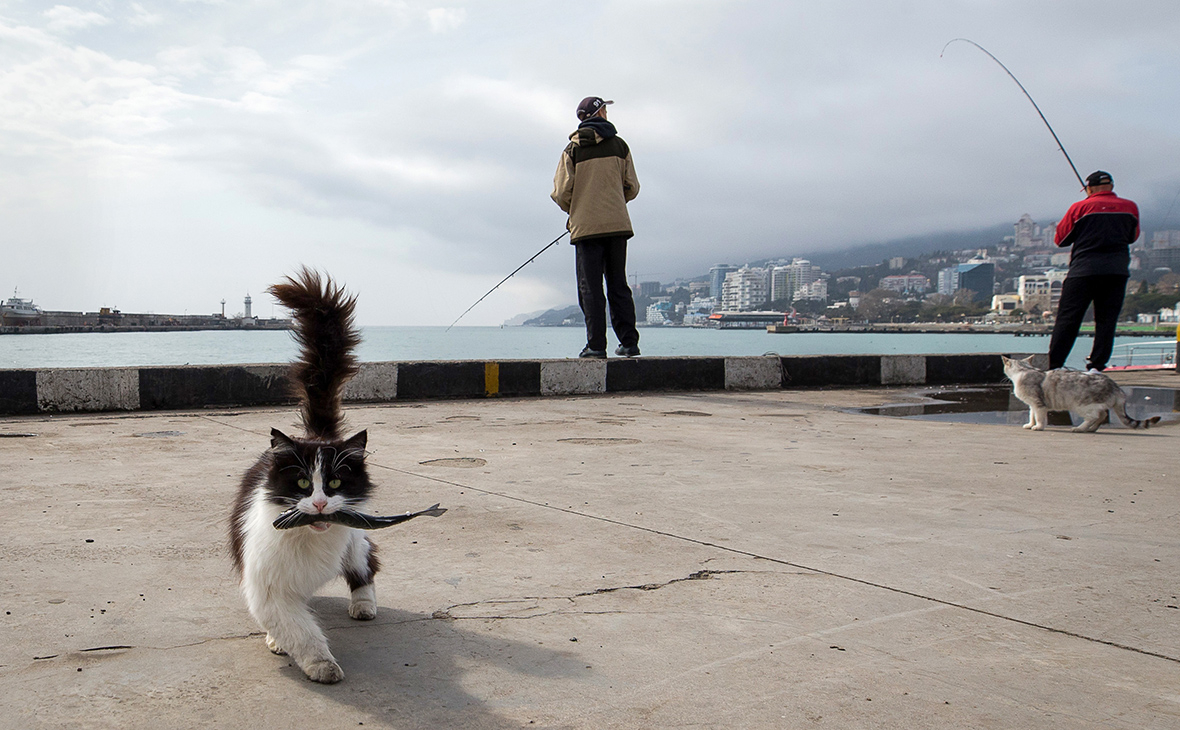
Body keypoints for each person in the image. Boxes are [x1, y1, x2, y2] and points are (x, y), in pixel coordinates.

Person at [551, 96, 642, 358]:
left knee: (590, 288)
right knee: (618, 285)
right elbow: (632, 186)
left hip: (585, 229)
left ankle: (596, 346)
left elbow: (560, 193)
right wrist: (613, 201)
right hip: (617, 226)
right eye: (605, 109)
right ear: (599, 113)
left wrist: (577, 209)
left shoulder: (572, 150)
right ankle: (629, 342)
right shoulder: (620, 145)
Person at [1047, 170, 1140, 371]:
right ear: (1112, 187)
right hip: (1116, 271)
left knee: (1069, 319)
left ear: (1088, 188)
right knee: (1106, 321)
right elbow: (1133, 237)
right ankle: (1097, 366)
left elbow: (1061, 239)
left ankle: (1055, 365)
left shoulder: (1080, 207)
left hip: (1083, 271)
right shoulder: (1131, 207)